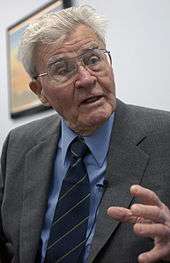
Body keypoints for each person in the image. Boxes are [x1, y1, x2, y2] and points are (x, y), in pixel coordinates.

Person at [0, 5, 170, 263]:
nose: (86, 78)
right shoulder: (19, 143)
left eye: (93, 59)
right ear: (40, 91)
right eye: (62, 69)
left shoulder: (164, 136)